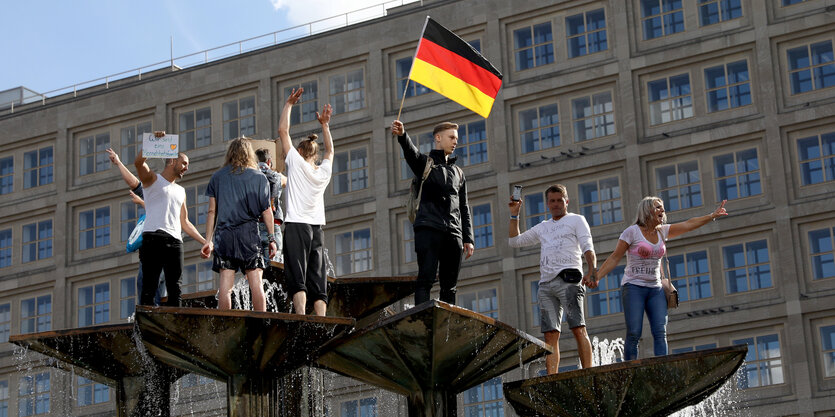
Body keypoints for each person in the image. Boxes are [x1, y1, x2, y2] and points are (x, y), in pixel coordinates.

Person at [593, 197, 728, 360]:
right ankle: (628, 368)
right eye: (658, 207)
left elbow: (688, 224)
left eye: (662, 208)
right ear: (647, 210)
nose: (662, 211)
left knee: (660, 331)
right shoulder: (632, 232)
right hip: (634, 287)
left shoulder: (662, 231)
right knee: (634, 332)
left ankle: (662, 367)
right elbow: (615, 257)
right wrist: (597, 277)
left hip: (655, 288)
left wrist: (711, 215)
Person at [508, 184, 596, 374]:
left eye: (559, 200)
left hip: (569, 280)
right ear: (547, 203)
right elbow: (514, 242)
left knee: (578, 327)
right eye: (552, 201)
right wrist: (514, 215)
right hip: (546, 285)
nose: (556, 204)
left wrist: (592, 270)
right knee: (550, 335)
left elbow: (588, 246)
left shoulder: (576, 220)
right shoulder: (543, 227)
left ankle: (589, 371)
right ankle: (552, 377)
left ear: (566, 201)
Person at [391, 119, 474, 305]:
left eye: (456, 138)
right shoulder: (425, 164)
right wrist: (403, 136)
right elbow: (411, 153)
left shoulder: (459, 173)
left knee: (450, 286)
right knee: (425, 279)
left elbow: (464, 207)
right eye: (451, 137)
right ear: (438, 138)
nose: (455, 142)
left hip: (454, 233)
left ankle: (447, 324)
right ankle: (422, 319)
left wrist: (468, 238)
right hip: (428, 228)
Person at [201, 137, 276, 312]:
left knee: (225, 286)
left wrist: (207, 241)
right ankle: (261, 325)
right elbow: (267, 212)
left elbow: (212, 211)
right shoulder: (260, 178)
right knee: (256, 283)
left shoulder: (217, 177)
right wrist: (271, 238)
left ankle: (226, 327)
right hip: (249, 235)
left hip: (224, 236)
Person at [277, 88, 334, 316]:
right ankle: (321, 319)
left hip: (297, 225)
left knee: (297, 275)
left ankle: (300, 315)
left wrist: (289, 104)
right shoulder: (323, 172)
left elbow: (283, 130)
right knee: (318, 276)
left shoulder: (296, 164)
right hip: (317, 228)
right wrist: (325, 126)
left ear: (300, 151)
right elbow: (330, 150)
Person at [134, 132, 207, 306]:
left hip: (175, 242)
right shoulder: (152, 180)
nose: (186, 168)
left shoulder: (181, 191)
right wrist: (153, 142)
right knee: (149, 287)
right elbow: (138, 163)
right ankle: (146, 327)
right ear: (172, 161)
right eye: (184, 163)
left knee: (176, 288)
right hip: (153, 238)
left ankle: (175, 323)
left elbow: (185, 222)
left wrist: (205, 242)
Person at [106, 148, 166, 305]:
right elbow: (133, 182)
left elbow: (163, 214)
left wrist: (142, 203)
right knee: (146, 290)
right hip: (147, 255)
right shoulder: (152, 193)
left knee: (151, 291)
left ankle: (153, 318)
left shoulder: (172, 196)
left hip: (160, 253)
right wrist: (118, 163)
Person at [255, 148, 286, 264]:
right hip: (274, 224)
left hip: (256, 224)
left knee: (257, 264)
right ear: (269, 162)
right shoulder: (278, 176)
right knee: (275, 262)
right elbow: (289, 182)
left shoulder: (251, 176)